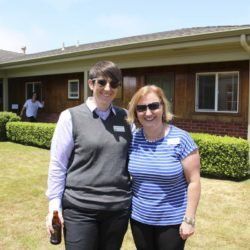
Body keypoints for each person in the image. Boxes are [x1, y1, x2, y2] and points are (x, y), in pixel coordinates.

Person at [45, 61, 132, 250]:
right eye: (102, 82)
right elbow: (58, 164)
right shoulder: (70, 117)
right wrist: (54, 205)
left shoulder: (126, 118)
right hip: (80, 209)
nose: (107, 88)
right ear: (91, 84)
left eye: (114, 84)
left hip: (117, 210)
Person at [126, 85, 201, 250]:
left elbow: (194, 182)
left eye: (153, 106)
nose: (148, 112)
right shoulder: (133, 140)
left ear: (162, 107)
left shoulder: (182, 139)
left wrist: (189, 220)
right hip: (139, 218)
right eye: (141, 108)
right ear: (135, 112)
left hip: (172, 221)